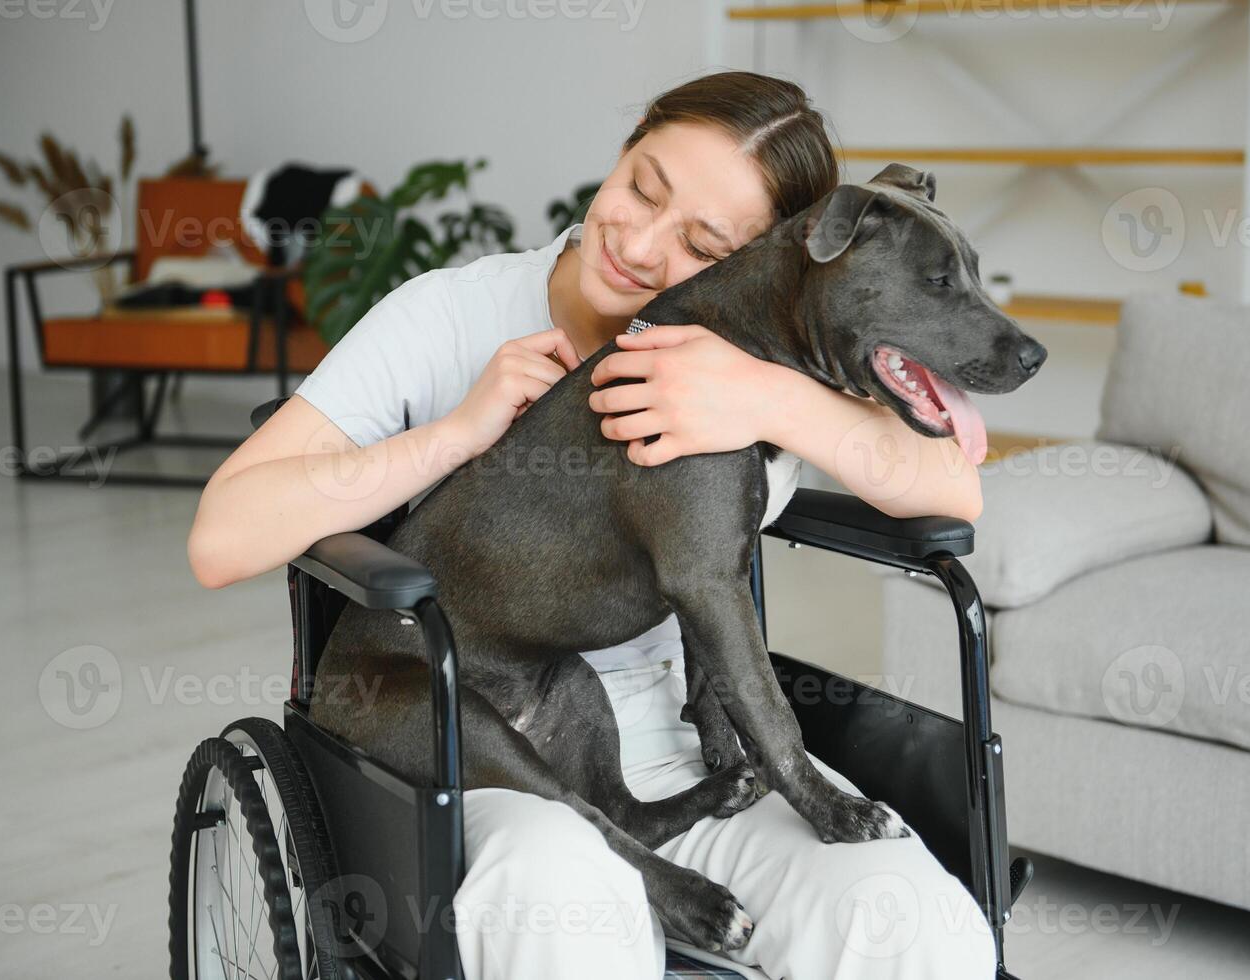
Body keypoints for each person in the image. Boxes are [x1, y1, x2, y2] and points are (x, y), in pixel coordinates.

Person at [188, 69, 995, 980]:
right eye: (642, 188)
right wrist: (452, 437)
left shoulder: (787, 346)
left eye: (701, 242)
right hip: (471, 747)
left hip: (676, 747)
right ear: (621, 152)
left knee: (911, 925)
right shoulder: (446, 314)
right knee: (569, 905)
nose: (642, 246)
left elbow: (951, 490)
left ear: (779, 255)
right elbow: (222, 537)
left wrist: (761, 395)